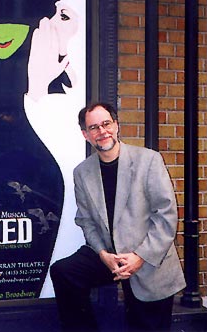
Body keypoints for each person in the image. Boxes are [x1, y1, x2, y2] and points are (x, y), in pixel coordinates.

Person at [50, 102, 186, 331]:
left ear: (116, 126)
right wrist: (103, 255)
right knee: (64, 272)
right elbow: (86, 221)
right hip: (109, 254)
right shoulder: (82, 172)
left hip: (147, 255)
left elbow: (166, 216)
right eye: (94, 127)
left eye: (106, 124)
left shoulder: (148, 160)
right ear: (85, 135)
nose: (102, 131)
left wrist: (139, 256)